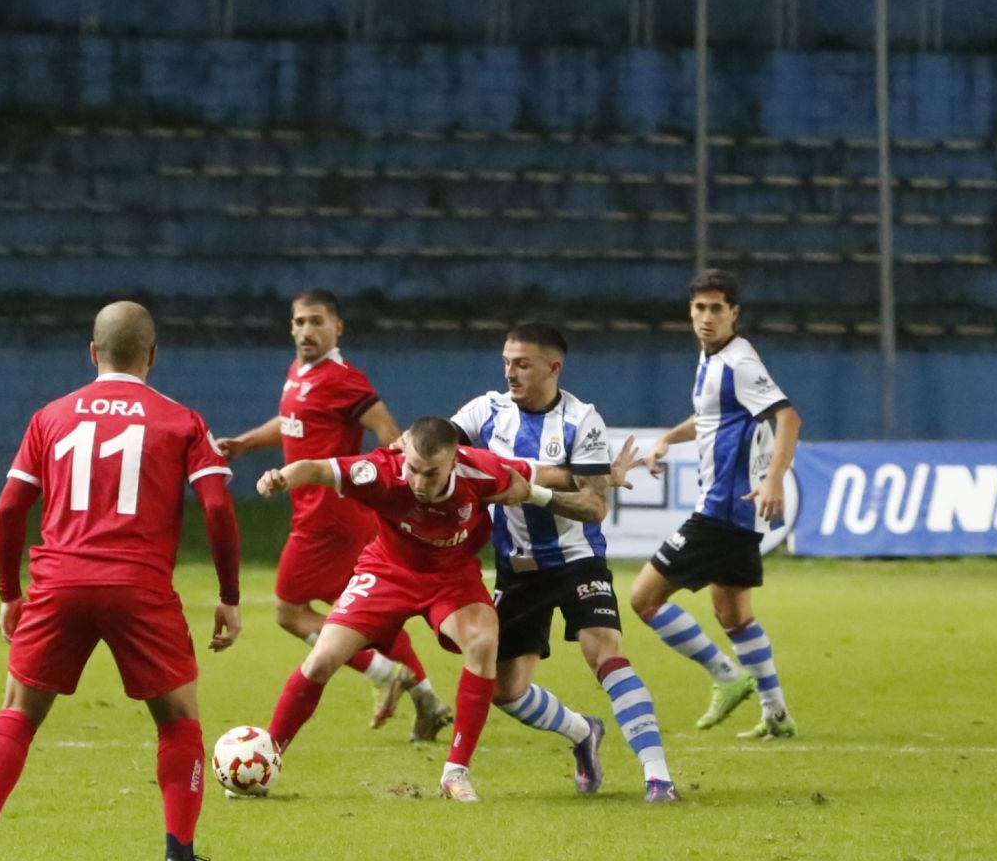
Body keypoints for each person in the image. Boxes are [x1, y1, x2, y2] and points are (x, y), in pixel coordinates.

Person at [0, 301, 243, 861]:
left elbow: (8, 509)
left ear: (92, 352)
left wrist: (9, 591)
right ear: (153, 357)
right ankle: (179, 857)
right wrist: (229, 594)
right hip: (139, 588)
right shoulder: (181, 420)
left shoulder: (50, 416)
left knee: (19, 712)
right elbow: (217, 507)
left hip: (59, 583)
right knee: (178, 719)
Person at [449, 323, 681, 802]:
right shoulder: (485, 411)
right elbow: (435, 446)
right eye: (507, 361)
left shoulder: (582, 421)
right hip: (517, 571)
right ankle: (582, 732)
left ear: (553, 367)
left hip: (578, 562)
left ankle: (658, 776)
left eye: (523, 364)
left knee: (606, 654)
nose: (510, 372)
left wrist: (530, 491)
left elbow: (595, 506)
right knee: (507, 691)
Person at [256, 416, 542, 803]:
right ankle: (263, 763)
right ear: (403, 451)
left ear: (455, 460)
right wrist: (282, 478)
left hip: (451, 577)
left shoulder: (483, 469)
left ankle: (455, 773)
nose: (420, 484)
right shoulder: (378, 471)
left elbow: (537, 477)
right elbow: (315, 468)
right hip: (387, 571)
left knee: (482, 641)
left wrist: (593, 480)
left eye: (431, 473)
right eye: (413, 470)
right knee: (323, 657)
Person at [218, 289, 451, 741]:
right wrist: (247, 442)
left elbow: (389, 434)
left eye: (317, 321)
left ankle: (387, 674)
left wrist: (398, 490)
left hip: (327, 520)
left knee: (288, 610)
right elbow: (291, 423)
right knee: (371, 612)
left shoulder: (344, 379)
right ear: (290, 326)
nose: (307, 330)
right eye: (300, 321)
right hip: (337, 520)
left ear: (337, 327)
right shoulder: (300, 373)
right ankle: (427, 700)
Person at [628, 269, 802, 740]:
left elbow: (788, 418)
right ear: (690, 311)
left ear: (734, 314)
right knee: (734, 614)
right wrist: (668, 437)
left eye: (716, 309)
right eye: (699, 308)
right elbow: (709, 419)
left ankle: (727, 678)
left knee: (643, 599)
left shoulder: (738, 363)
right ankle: (777, 714)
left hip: (722, 511)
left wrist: (774, 479)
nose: (706, 317)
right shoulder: (713, 359)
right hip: (735, 513)